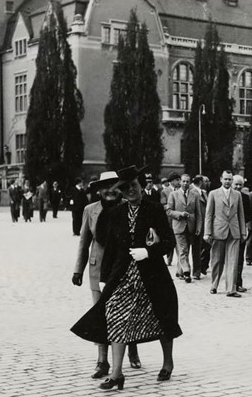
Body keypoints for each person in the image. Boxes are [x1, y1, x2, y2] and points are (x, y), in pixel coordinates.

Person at [71, 165, 181, 390]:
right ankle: (117, 373)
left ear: (142, 185)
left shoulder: (154, 209)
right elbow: (110, 248)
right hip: (122, 275)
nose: (130, 190)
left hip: (151, 273)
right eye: (125, 188)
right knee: (115, 317)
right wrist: (104, 277)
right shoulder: (115, 213)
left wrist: (149, 251)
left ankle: (167, 362)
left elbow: (169, 242)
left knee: (162, 315)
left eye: (133, 185)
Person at [72, 171, 142, 377]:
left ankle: (132, 348)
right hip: (97, 270)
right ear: (99, 190)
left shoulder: (127, 208)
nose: (109, 190)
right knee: (100, 315)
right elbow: (84, 242)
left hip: (122, 269)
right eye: (105, 187)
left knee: (125, 311)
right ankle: (102, 361)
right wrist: (78, 270)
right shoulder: (90, 210)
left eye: (114, 186)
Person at [204, 170, 247, 297]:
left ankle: (231, 289)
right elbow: (209, 215)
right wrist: (207, 232)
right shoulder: (213, 194)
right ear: (221, 179)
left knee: (233, 261)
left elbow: (241, 215)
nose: (228, 181)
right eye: (226, 179)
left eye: (230, 179)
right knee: (217, 260)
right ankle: (214, 284)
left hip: (234, 232)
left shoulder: (237, 195)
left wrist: (243, 232)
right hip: (218, 231)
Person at [167, 174, 203, 283]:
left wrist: (198, 227)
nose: (185, 183)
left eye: (187, 181)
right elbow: (169, 211)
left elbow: (198, 213)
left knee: (186, 249)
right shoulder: (173, 195)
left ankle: (180, 271)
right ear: (180, 182)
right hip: (178, 226)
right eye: (183, 181)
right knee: (183, 250)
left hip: (191, 226)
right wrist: (180, 214)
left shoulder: (194, 195)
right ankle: (187, 272)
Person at [233, 175, 251, 293]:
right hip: (226, 233)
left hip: (240, 232)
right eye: (236, 184)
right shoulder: (226, 196)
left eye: (240, 185)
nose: (238, 187)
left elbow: (249, 214)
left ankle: (238, 283)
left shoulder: (245, 197)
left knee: (239, 259)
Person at [190, 175, 209, 280]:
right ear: (201, 182)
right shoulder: (192, 191)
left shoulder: (204, 193)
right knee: (196, 248)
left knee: (207, 246)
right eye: (205, 181)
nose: (207, 183)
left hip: (205, 223)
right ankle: (196, 271)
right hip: (196, 223)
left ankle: (202, 267)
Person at [161, 172, 181, 266]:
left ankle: (180, 263)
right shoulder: (165, 191)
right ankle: (169, 259)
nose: (179, 182)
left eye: (179, 180)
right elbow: (163, 204)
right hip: (169, 219)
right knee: (170, 239)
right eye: (177, 180)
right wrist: (172, 207)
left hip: (179, 219)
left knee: (179, 243)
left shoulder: (181, 190)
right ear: (171, 181)